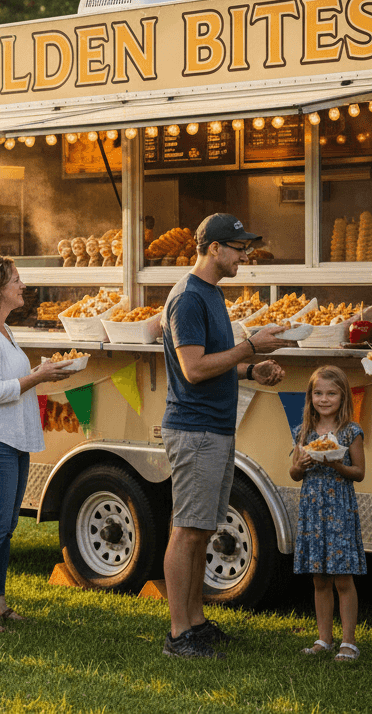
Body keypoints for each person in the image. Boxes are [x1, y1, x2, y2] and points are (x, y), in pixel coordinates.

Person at [160, 213, 291, 659]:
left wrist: (251, 369)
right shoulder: (188, 298)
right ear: (213, 248)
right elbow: (193, 369)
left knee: (201, 529)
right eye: (238, 247)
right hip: (195, 429)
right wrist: (251, 347)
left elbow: (214, 362)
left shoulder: (211, 295)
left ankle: (196, 621)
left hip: (214, 428)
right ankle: (179, 635)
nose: (244, 255)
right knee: (186, 531)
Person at [0, 256, 74, 633]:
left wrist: (41, 373)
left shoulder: (2, 330)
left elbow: (10, 380)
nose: (22, 286)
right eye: (16, 281)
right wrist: (36, 376)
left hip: (12, 438)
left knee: (5, 526)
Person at [289, 366, 366, 662]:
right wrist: (301, 465)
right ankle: (324, 638)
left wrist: (337, 465)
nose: (324, 399)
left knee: (342, 578)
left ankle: (349, 642)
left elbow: (359, 473)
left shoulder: (351, 431)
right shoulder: (304, 432)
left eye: (331, 393)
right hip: (312, 509)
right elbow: (294, 473)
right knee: (319, 578)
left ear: (343, 396)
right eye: (318, 393)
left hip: (339, 508)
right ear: (310, 397)